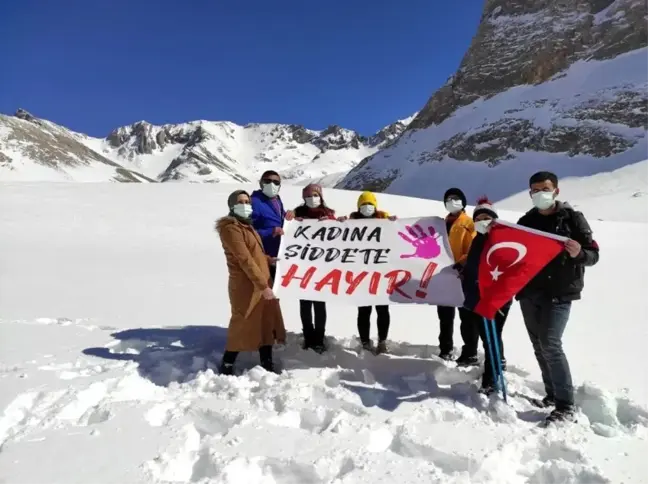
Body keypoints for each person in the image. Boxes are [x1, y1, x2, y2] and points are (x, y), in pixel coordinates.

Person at [516, 171, 599, 424]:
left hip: (560, 292)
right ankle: (551, 394)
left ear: (556, 191)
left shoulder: (573, 219)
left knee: (551, 343)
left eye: (545, 188)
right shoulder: (526, 221)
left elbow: (593, 254)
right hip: (530, 292)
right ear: (530, 194)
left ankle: (566, 405)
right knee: (538, 344)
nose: (540, 193)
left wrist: (579, 254)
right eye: (535, 190)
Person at [215, 190, 286, 375]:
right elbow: (244, 259)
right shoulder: (231, 229)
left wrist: (266, 259)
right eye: (241, 201)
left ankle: (267, 360)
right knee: (243, 321)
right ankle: (228, 362)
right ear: (232, 205)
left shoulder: (247, 226)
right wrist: (263, 286)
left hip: (261, 279)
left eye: (247, 201)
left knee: (265, 321)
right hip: (246, 285)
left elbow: (253, 253)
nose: (246, 204)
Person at [461, 197, 511, 393]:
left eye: (487, 217)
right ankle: (496, 366)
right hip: (478, 297)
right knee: (488, 336)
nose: (483, 221)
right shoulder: (478, 240)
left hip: (497, 299)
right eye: (479, 218)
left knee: (492, 336)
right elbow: (475, 267)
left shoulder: (501, 241)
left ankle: (491, 379)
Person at [285, 183, 337, 353]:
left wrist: (332, 223)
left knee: (320, 305)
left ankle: (319, 338)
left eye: (315, 195)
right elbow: (286, 229)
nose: (312, 199)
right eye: (308, 196)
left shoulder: (328, 215)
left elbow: (341, 238)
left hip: (322, 268)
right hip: (302, 269)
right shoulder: (298, 214)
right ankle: (308, 337)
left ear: (320, 196)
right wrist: (290, 219)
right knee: (305, 304)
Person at [345, 191, 397, 354]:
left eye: (370, 204)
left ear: (375, 206)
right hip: (361, 275)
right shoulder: (352, 223)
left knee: (382, 309)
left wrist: (394, 224)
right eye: (363, 204)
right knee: (364, 310)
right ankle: (365, 342)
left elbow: (396, 240)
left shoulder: (384, 221)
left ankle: (382, 341)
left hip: (381, 274)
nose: (367, 207)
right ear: (358, 206)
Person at [437, 187, 478, 365]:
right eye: (448, 199)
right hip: (444, 276)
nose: (452, 201)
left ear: (463, 202)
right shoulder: (440, 223)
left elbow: (474, 249)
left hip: (463, 276)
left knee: (466, 316)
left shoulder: (469, 223)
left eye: (456, 198)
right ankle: (445, 349)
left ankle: (470, 352)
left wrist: (462, 264)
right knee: (445, 316)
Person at [251, 170, 286, 281]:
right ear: (261, 183)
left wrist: (292, 216)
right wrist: (270, 232)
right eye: (268, 181)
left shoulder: (276, 200)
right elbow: (246, 232)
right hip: (264, 257)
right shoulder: (253, 202)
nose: (272, 184)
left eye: (276, 182)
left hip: (277, 255)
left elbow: (279, 218)